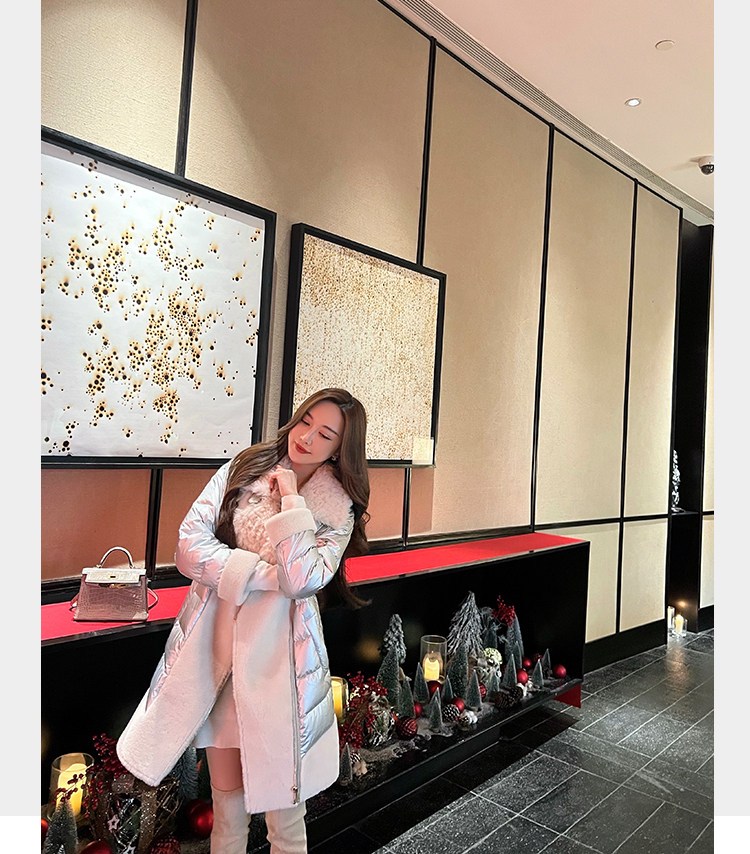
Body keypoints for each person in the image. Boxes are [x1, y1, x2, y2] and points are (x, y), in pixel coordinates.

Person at [116, 388, 370, 854]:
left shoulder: (337, 510)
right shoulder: (246, 467)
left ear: (339, 450)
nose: (307, 437)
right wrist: (258, 575)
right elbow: (188, 546)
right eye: (305, 421)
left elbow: (302, 579)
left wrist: (292, 499)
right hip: (218, 655)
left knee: (286, 824)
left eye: (325, 434)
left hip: (280, 669)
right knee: (227, 813)